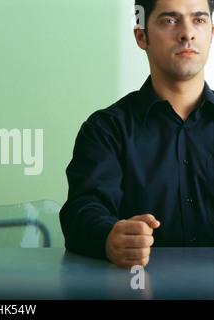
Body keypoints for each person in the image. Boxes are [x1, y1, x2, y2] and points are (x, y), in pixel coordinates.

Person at [60, 0, 214, 268]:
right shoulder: (105, 129)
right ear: (141, 36)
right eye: (169, 20)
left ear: (212, 32)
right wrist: (109, 237)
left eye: (199, 20)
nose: (187, 33)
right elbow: (83, 211)